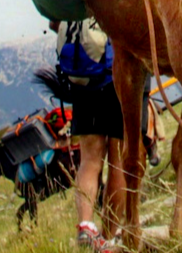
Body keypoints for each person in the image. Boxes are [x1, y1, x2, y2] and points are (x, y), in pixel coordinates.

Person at [49, 19, 126, 252]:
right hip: (117, 75)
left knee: (89, 160)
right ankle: (109, 237)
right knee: (118, 161)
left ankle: (85, 225)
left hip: (84, 80)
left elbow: (54, 23)